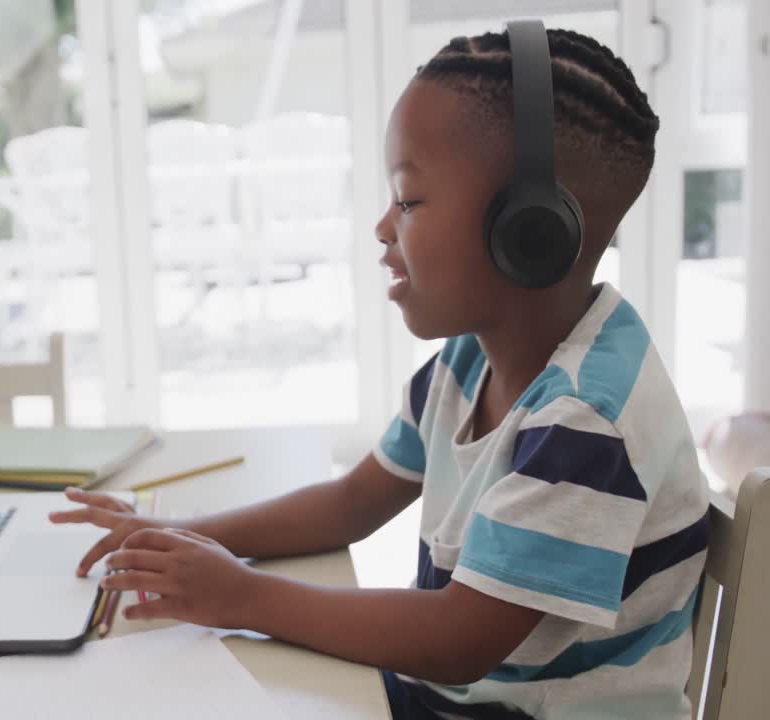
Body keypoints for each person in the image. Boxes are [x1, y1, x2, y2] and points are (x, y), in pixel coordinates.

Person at [50, 23, 710, 720]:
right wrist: (189, 538)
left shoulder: (586, 421)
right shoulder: (470, 362)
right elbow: (351, 504)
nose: (383, 227)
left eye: (409, 200)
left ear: (528, 230)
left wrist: (241, 596)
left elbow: (458, 640)